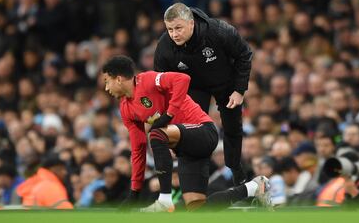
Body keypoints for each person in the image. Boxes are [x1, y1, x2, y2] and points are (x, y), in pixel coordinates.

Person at [102, 56, 270, 212]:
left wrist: (169, 114)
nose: (106, 87)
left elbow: (183, 79)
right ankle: (255, 187)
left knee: (156, 134)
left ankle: (164, 198)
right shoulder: (126, 108)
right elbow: (138, 149)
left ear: (118, 78)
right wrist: (135, 192)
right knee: (196, 210)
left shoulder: (147, 80)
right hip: (186, 150)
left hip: (203, 130)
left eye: (106, 81)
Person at [154, 2, 253, 185]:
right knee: (193, 130)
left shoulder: (218, 31)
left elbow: (244, 54)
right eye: (169, 29)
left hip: (225, 81)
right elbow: (160, 82)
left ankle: (237, 173)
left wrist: (239, 90)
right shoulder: (164, 47)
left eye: (178, 28)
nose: (174, 34)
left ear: (191, 23)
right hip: (193, 87)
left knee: (232, 127)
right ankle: (196, 177)